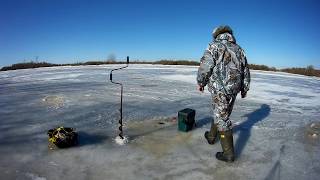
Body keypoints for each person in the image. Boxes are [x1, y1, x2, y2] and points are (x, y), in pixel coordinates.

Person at [197, 25, 250, 162]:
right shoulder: (239, 49)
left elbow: (205, 66)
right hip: (234, 89)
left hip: (219, 89)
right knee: (221, 113)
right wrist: (244, 88)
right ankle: (211, 137)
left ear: (216, 35)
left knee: (222, 117)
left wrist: (201, 82)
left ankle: (228, 154)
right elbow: (246, 70)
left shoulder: (213, 46)